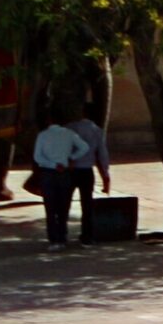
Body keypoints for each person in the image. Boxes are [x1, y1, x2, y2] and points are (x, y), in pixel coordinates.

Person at [31, 106, 88, 249]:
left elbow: (38, 157)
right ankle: (62, 236)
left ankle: (54, 239)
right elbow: (84, 147)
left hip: (48, 172)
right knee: (63, 207)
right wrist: (71, 159)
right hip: (65, 172)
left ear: (49, 120)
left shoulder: (43, 135)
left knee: (50, 208)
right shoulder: (69, 134)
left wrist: (52, 164)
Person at [68, 103, 113, 242]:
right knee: (87, 204)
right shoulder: (97, 131)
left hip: (70, 170)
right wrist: (105, 176)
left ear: (82, 112)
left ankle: (60, 235)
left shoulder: (70, 128)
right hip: (87, 171)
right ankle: (87, 235)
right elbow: (101, 155)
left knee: (65, 203)